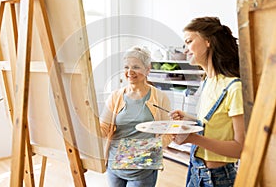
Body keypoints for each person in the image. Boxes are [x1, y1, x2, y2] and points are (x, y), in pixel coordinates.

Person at [169, 17, 245, 187]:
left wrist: (193, 139)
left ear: (208, 41)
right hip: (196, 171)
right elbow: (215, 126)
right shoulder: (207, 82)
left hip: (218, 179)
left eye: (189, 41)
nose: (186, 49)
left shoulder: (234, 88)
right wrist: (188, 118)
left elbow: (240, 148)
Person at [100, 46, 172, 187]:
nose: (130, 72)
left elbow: (168, 133)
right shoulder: (115, 96)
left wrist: (145, 149)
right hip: (115, 166)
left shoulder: (160, 97)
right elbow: (103, 127)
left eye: (136, 67)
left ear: (147, 69)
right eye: (126, 67)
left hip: (143, 168)